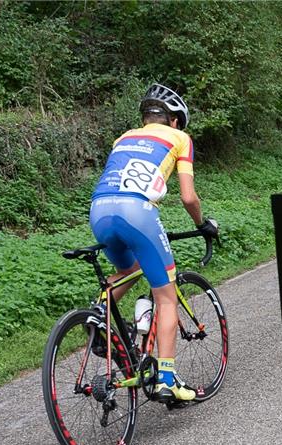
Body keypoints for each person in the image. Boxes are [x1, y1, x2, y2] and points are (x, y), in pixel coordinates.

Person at [88, 83, 219, 402]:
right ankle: (167, 379)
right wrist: (203, 224)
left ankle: (99, 313)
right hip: (138, 214)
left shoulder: (123, 138)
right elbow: (188, 196)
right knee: (166, 295)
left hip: (99, 210)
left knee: (129, 269)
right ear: (174, 120)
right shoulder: (180, 138)